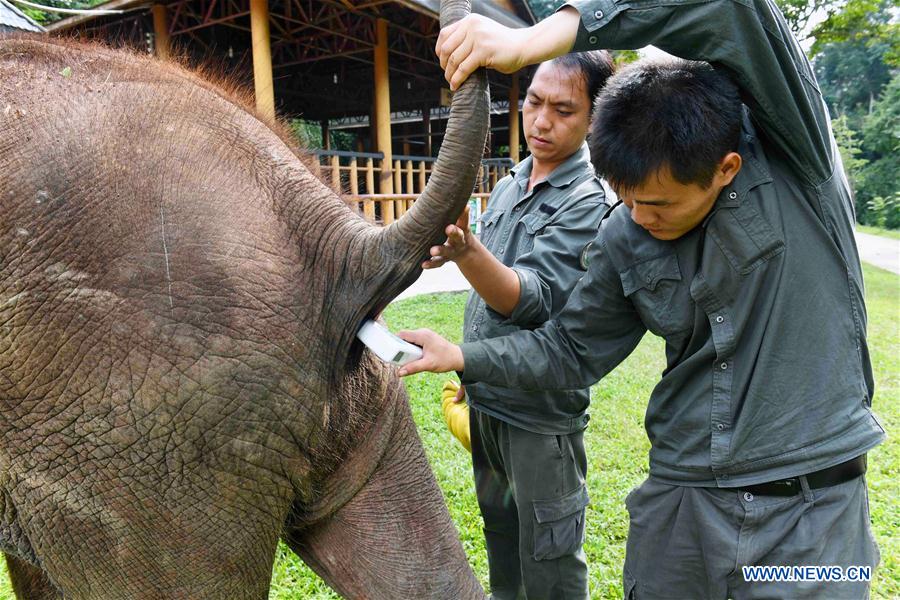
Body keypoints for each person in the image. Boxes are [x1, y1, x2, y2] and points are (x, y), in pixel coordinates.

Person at [400, 1, 885, 598]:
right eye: (626, 199)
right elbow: (569, 351)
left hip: (812, 515)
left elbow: (731, 9)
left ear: (725, 169)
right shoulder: (624, 234)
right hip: (681, 503)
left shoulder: (796, 167)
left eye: (658, 204)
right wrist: (463, 356)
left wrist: (537, 40)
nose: (639, 218)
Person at [423, 52, 615, 599]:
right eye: (533, 102)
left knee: (549, 559)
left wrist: (469, 253)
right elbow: (492, 279)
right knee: (502, 537)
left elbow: (530, 298)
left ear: (593, 119)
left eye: (563, 110)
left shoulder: (587, 202)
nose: (541, 122)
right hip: (487, 402)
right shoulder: (511, 181)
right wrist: (457, 256)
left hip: (538, 417)